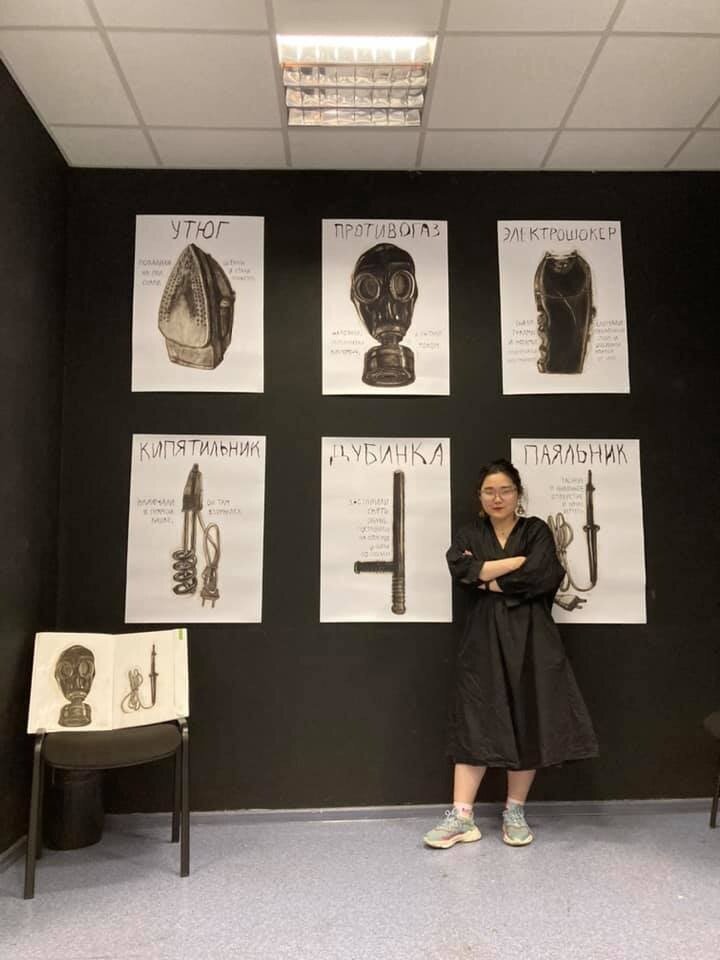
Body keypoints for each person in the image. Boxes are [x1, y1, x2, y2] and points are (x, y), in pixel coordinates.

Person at [424, 458, 598, 849]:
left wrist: (487, 577)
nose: (497, 497)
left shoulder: (536, 530)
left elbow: (542, 575)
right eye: (489, 491)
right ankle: (462, 817)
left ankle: (514, 811)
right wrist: (512, 564)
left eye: (505, 490)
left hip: (533, 638)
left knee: (527, 716)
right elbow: (460, 569)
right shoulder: (469, 532)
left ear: (518, 494)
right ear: (479, 496)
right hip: (483, 638)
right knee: (475, 717)